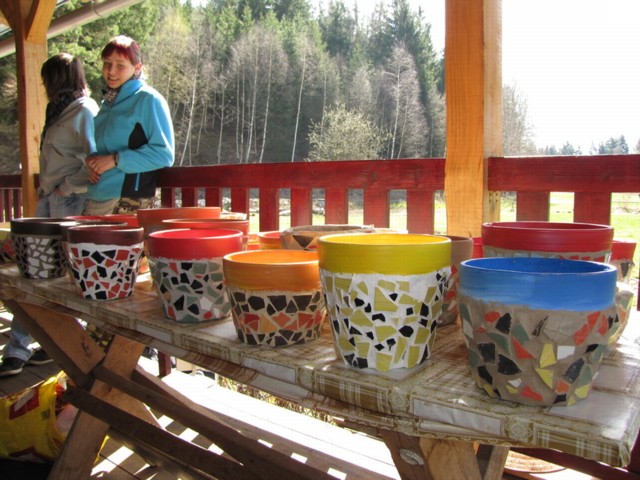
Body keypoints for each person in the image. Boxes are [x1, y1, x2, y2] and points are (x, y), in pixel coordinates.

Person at [0, 53, 99, 377]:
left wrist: (66, 188)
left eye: (47, 79)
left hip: (69, 201)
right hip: (50, 200)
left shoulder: (84, 110)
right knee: (33, 273)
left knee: (63, 277)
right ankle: (20, 348)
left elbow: (95, 159)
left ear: (56, 79)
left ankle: (52, 343)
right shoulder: (59, 111)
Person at [84, 34, 174, 215]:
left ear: (137, 67)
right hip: (95, 198)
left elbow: (164, 155)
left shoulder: (149, 99)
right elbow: (102, 149)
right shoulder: (107, 104)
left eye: (120, 65)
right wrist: (91, 163)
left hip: (129, 201)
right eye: (107, 64)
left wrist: (115, 160)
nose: (111, 71)